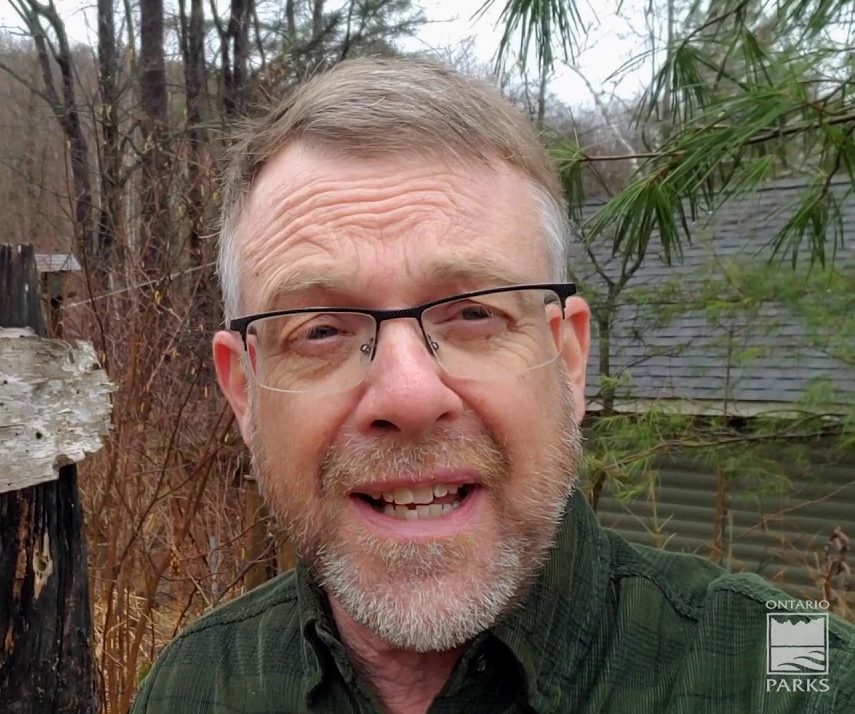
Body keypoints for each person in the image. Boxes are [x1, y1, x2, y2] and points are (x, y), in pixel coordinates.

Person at [129, 55, 854, 713]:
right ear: (244, 392)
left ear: (568, 357)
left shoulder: (790, 676)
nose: (409, 396)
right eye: (321, 330)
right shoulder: (196, 685)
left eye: (474, 312)